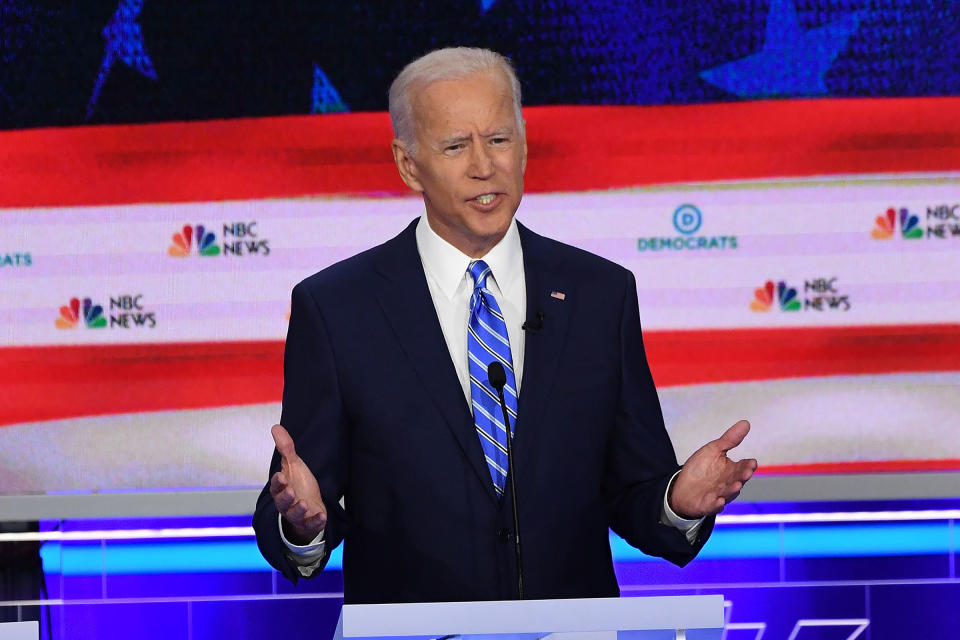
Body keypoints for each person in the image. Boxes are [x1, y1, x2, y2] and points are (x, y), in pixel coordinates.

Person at [253, 47, 757, 604]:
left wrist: (676, 502)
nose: (483, 166)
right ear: (408, 163)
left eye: (498, 139)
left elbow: (635, 492)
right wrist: (302, 525)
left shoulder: (599, 295)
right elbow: (296, 504)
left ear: (523, 144)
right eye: (454, 146)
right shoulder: (337, 308)